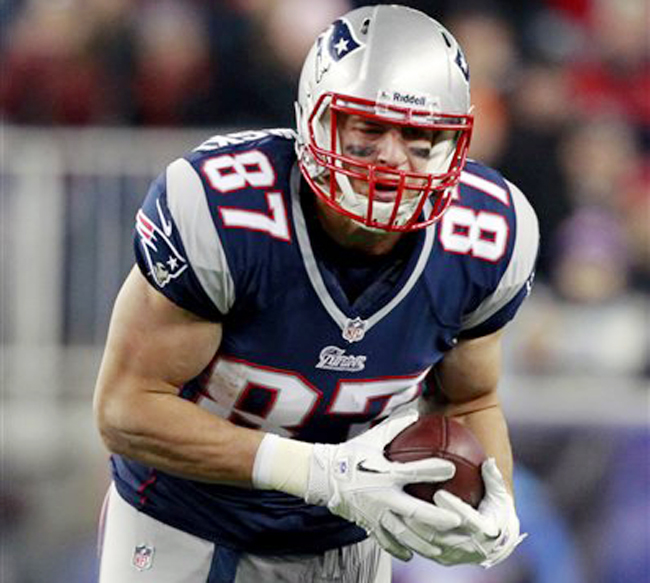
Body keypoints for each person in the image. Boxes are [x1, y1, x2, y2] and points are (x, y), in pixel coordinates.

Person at [93, 5, 538, 582]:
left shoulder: (488, 235)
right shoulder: (224, 209)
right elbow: (126, 409)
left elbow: (470, 399)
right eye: (367, 130)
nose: (392, 161)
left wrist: (490, 500)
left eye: (419, 135)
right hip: (185, 521)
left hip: (347, 533)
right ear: (314, 120)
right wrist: (319, 472)